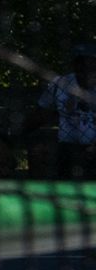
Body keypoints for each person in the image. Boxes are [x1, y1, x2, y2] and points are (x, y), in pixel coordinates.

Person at [26, 41, 96, 178]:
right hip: (68, 146)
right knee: (39, 150)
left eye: (91, 63)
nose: (85, 68)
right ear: (74, 65)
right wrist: (18, 132)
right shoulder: (61, 84)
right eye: (80, 63)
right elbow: (40, 114)